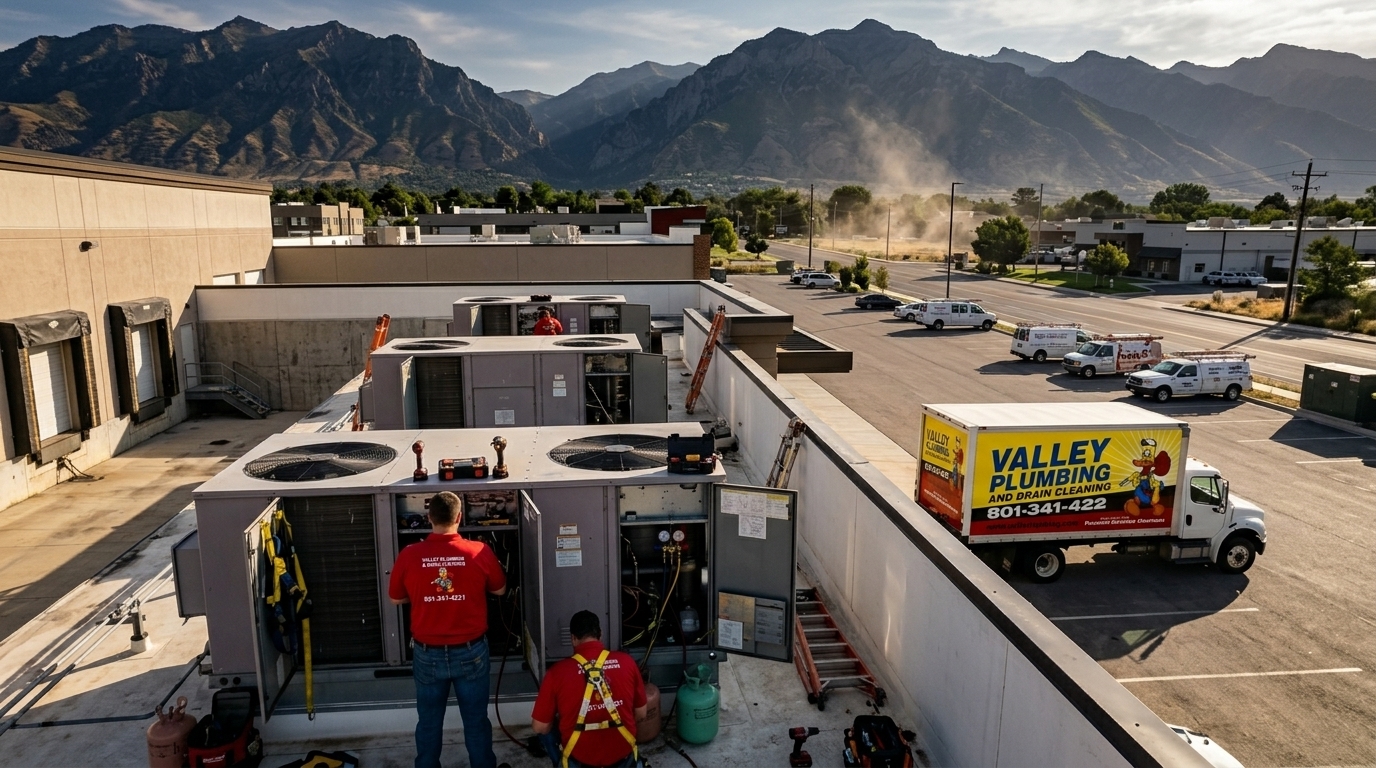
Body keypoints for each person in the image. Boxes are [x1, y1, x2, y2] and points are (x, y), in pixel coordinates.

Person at [389, 491, 508, 768]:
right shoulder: (479, 551)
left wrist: (422, 595)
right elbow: (500, 589)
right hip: (472, 652)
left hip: (426, 655)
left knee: (429, 723)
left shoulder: (409, 555)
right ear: (459, 517)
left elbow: (395, 598)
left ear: (429, 517)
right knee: (476, 721)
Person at [531, 611, 647, 768]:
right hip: (622, 758)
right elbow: (641, 713)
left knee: (547, 731)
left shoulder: (557, 673)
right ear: (601, 635)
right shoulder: (627, 662)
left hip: (580, 761)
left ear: (573, 638)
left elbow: (540, 727)